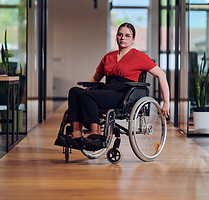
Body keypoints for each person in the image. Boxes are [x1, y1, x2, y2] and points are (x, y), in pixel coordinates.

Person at [54, 22, 170, 150]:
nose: (123, 38)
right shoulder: (108, 57)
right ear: (116, 36)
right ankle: (76, 133)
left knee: (87, 96)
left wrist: (166, 102)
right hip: (107, 90)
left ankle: (96, 135)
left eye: (127, 35)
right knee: (74, 92)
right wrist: (86, 91)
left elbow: (161, 75)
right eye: (120, 35)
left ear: (133, 40)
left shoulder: (139, 56)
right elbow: (95, 79)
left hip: (124, 93)